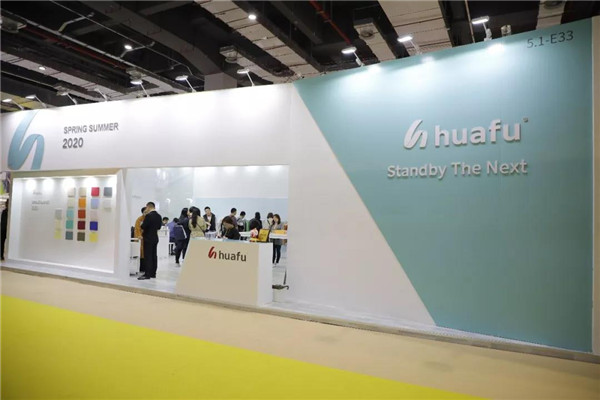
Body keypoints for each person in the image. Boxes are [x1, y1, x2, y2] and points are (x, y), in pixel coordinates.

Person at [138, 202, 162, 280]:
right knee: (154, 255)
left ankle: (147, 274)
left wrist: (142, 223)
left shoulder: (148, 216)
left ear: (148, 207)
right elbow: (159, 227)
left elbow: (143, 226)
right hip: (155, 237)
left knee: (148, 256)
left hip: (148, 238)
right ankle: (153, 273)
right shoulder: (159, 216)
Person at [133, 207, 146, 275]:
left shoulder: (148, 219)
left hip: (146, 238)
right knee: (140, 253)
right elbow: (137, 229)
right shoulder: (139, 219)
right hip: (140, 239)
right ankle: (141, 268)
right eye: (145, 212)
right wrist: (139, 236)